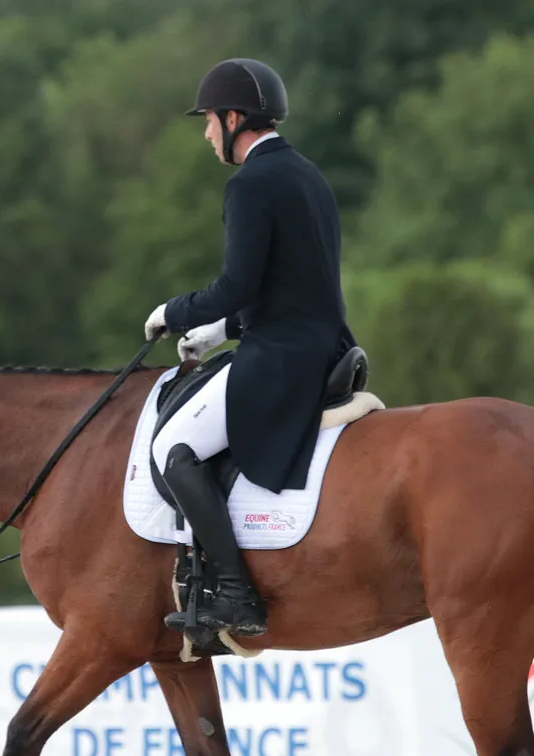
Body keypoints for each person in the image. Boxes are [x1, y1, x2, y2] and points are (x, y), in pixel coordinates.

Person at [144, 57, 357, 639]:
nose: (206, 132)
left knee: (175, 447)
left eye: (209, 120)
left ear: (234, 118)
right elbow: (292, 283)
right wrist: (225, 328)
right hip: (324, 344)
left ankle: (237, 595)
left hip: (282, 357)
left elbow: (237, 283)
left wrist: (176, 312)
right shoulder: (307, 174)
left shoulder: (250, 184)